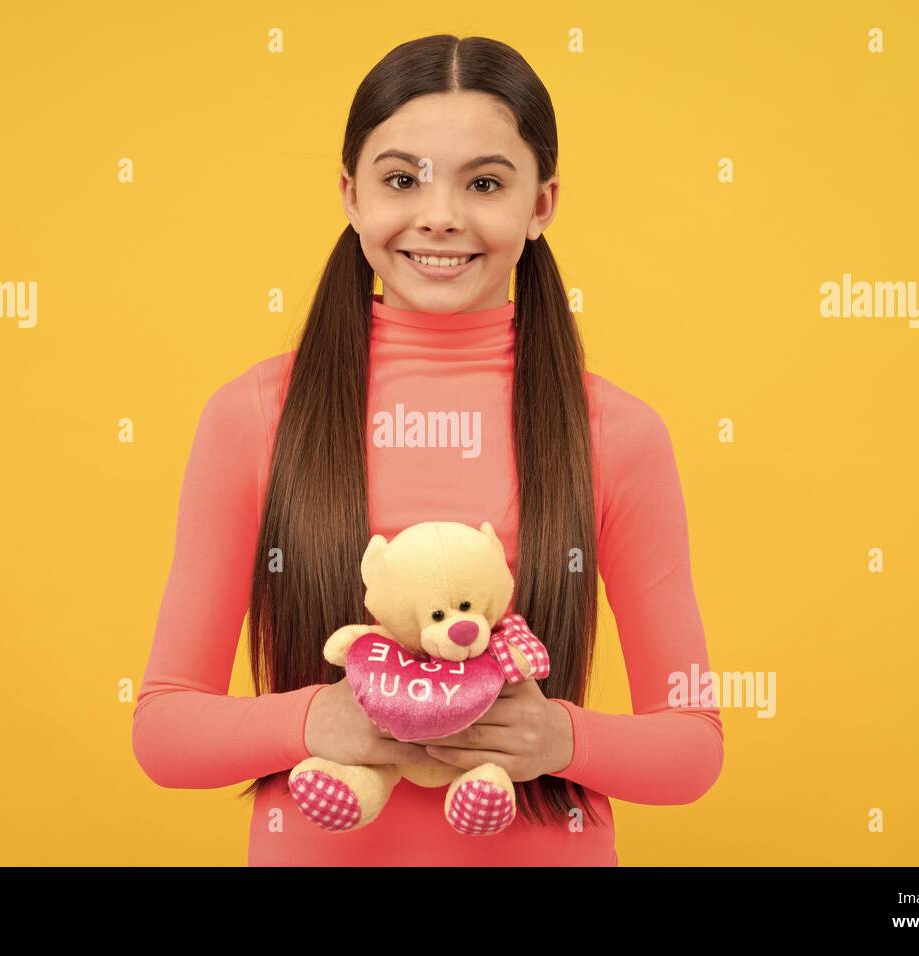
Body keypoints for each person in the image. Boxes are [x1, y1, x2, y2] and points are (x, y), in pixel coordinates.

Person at [132, 33, 723, 866]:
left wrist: (557, 738)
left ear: (542, 204)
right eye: (402, 179)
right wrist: (314, 721)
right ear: (351, 193)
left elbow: (694, 746)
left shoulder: (618, 434)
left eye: (484, 182)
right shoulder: (254, 416)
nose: (440, 213)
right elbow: (161, 728)